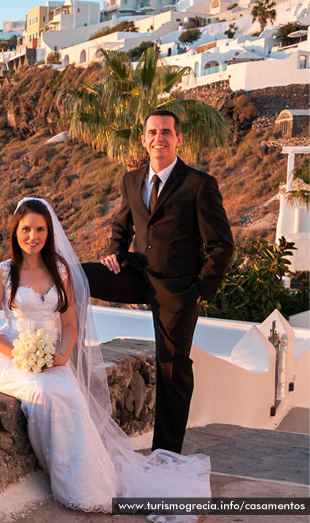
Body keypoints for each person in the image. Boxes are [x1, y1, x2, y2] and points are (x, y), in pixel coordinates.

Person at [0, 197, 210, 516]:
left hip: (51, 355)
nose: (33, 236)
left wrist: (62, 354)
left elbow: (70, 323)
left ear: (49, 232)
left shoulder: (60, 270)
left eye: (40, 229)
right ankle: (62, 478)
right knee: (43, 391)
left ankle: (91, 483)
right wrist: (19, 355)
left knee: (71, 392)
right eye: (26, 229)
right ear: (15, 231)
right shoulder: (2, 273)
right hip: (9, 355)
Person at [82, 110, 234, 454]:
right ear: (143, 139)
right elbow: (122, 226)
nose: (159, 137)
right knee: (75, 275)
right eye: (153, 132)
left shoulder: (199, 185)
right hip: (138, 273)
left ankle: (166, 456)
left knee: (172, 370)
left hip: (178, 291)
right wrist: (114, 251)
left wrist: (199, 291)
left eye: (166, 132)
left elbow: (222, 246)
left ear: (178, 139)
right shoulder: (131, 179)